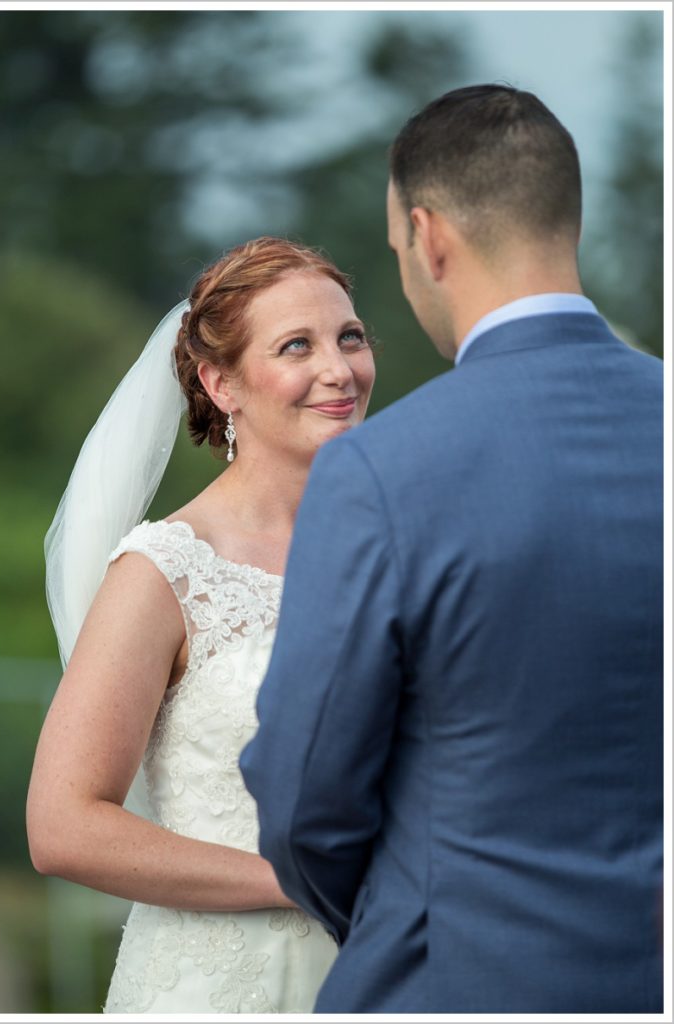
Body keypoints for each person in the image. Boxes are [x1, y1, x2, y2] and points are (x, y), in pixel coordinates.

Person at [240, 85, 664, 1013]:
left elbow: (306, 792)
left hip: (457, 979)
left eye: (396, 252)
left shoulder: (383, 468)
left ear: (427, 238)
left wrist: (402, 912)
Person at [26, 236, 376, 1014]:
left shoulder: (402, 550)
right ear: (222, 383)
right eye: (297, 346)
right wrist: (297, 883)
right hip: (217, 987)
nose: (339, 369)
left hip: (387, 976)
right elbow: (62, 826)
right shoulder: (165, 571)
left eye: (350, 336)